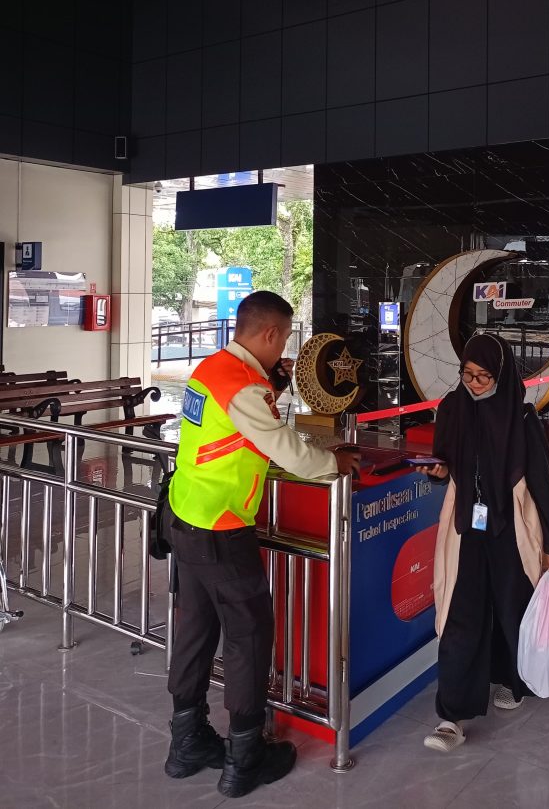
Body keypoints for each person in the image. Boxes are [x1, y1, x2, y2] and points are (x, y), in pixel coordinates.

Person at [163, 290, 359, 798]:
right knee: (249, 635)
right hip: (223, 528)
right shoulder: (243, 385)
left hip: (186, 515)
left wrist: (272, 384)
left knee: (196, 630)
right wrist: (335, 463)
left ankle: (187, 743)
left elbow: (229, 435)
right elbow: (283, 447)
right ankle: (245, 756)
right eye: (287, 336)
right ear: (270, 333)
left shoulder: (212, 368)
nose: (285, 348)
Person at [416, 332, 549, 753]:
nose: (475, 383)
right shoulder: (451, 408)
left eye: (484, 375)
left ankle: (511, 679)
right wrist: (439, 472)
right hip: (466, 528)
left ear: (500, 373)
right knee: (460, 616)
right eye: (468, 374)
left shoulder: (521, 418)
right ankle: (451, 717)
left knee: (512, 609)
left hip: (511, 528)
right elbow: (444, 461)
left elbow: (541, 483)